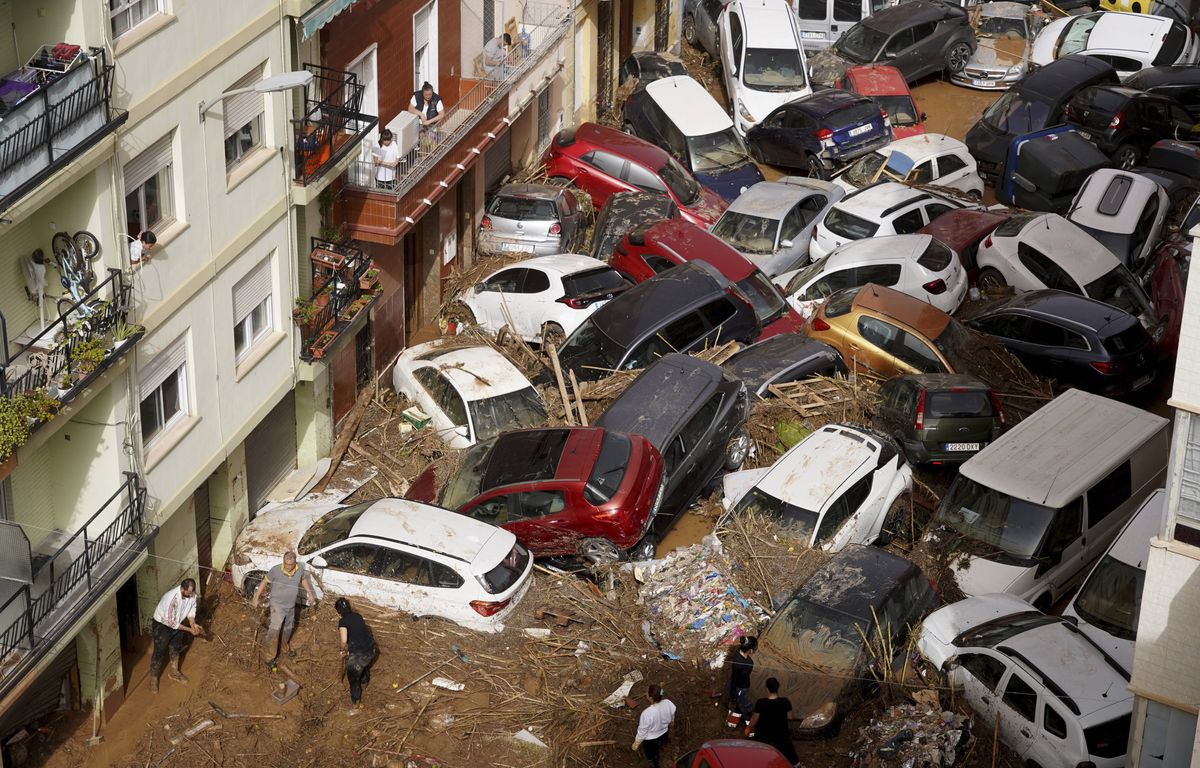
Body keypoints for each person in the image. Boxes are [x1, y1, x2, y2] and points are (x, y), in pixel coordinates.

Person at [251, 551, 317, 671]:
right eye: (286, 564)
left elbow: (303, 580)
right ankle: (269, 657)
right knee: (274, 630)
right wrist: (256, 597)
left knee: (288, 628)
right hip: (277, 605)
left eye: (290, 565)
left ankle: (285, 647)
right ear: (283, 561)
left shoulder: (300, 569)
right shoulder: (275, 570)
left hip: (290, 605)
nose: (287, 567)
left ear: (294, 563)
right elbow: (264, 582)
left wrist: (310, 593)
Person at [149, 578, 203, 693]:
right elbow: (171, 622)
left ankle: (174, 672)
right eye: (188, 593)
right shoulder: (171, 599)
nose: (190, 595)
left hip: (179, 623)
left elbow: (191, 609)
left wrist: (193, 623)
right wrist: (189, 630)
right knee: (160, 650)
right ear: (182, 589)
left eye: (191, 593)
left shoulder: (192, 595)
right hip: (162, 625)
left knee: (176, 647)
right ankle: (153, 679)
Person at [334, 597, 377, 709]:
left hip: (360, 654)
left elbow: (343, 640)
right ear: (349, 607)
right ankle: (365, 682)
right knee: (364, 664)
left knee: (353, 676)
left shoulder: (342, 621)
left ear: (339, 611)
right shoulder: (358, 616)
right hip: (371, 649)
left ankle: (356, 702)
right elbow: (359, 632)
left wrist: (342, 650)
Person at [745, 677, 799, 764]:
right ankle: (795, 764)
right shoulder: (785, 701)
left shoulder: (760, 703)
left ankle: (757, 763)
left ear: (767, 688)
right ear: (778, 687)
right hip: (780, 731)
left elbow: (754, 719)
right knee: (787, 747)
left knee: (759, 747)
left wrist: (748, 728)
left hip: (764, 732)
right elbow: (790, 717)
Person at [631, 683, 675, 768]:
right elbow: (672, 717)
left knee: (650, 753)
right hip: (664, 732)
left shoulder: (647, 713)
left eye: (646, 693)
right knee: (660, 743)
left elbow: (642, 732)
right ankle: (661, 746)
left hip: (650, 739)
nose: (646, 694)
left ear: (650, 698)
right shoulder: (668, 703)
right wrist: (672, 724)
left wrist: (637, 742)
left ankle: (653, 763)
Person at [727, 635, 757, 727]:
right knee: (744, 705)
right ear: (750, 650)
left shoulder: (737, 654)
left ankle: (732, 722)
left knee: (738, 703)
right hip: (741, 687)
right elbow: (743, 677)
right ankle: (749, 724)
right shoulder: (748, 663)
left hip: (736, 683)